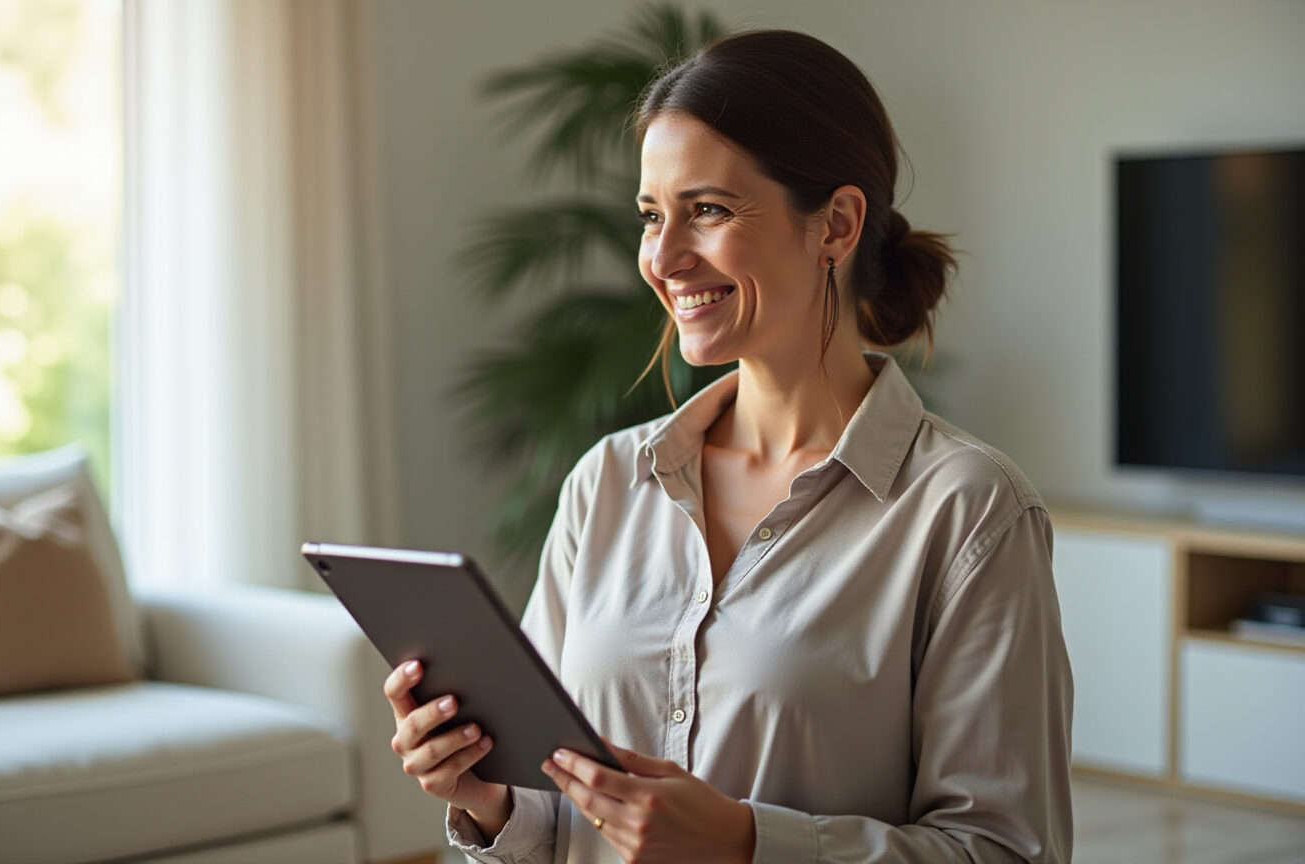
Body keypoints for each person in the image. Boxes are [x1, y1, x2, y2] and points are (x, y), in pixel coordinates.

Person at [384, 29, 1073, 864]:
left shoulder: (968, 512)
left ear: (836, 225)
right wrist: (488, 800)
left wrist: (748, 845)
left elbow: (1006, 850)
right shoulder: (608, 483)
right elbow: (558, 811)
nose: (663, 258)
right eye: (651, 216)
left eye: (707, 210)